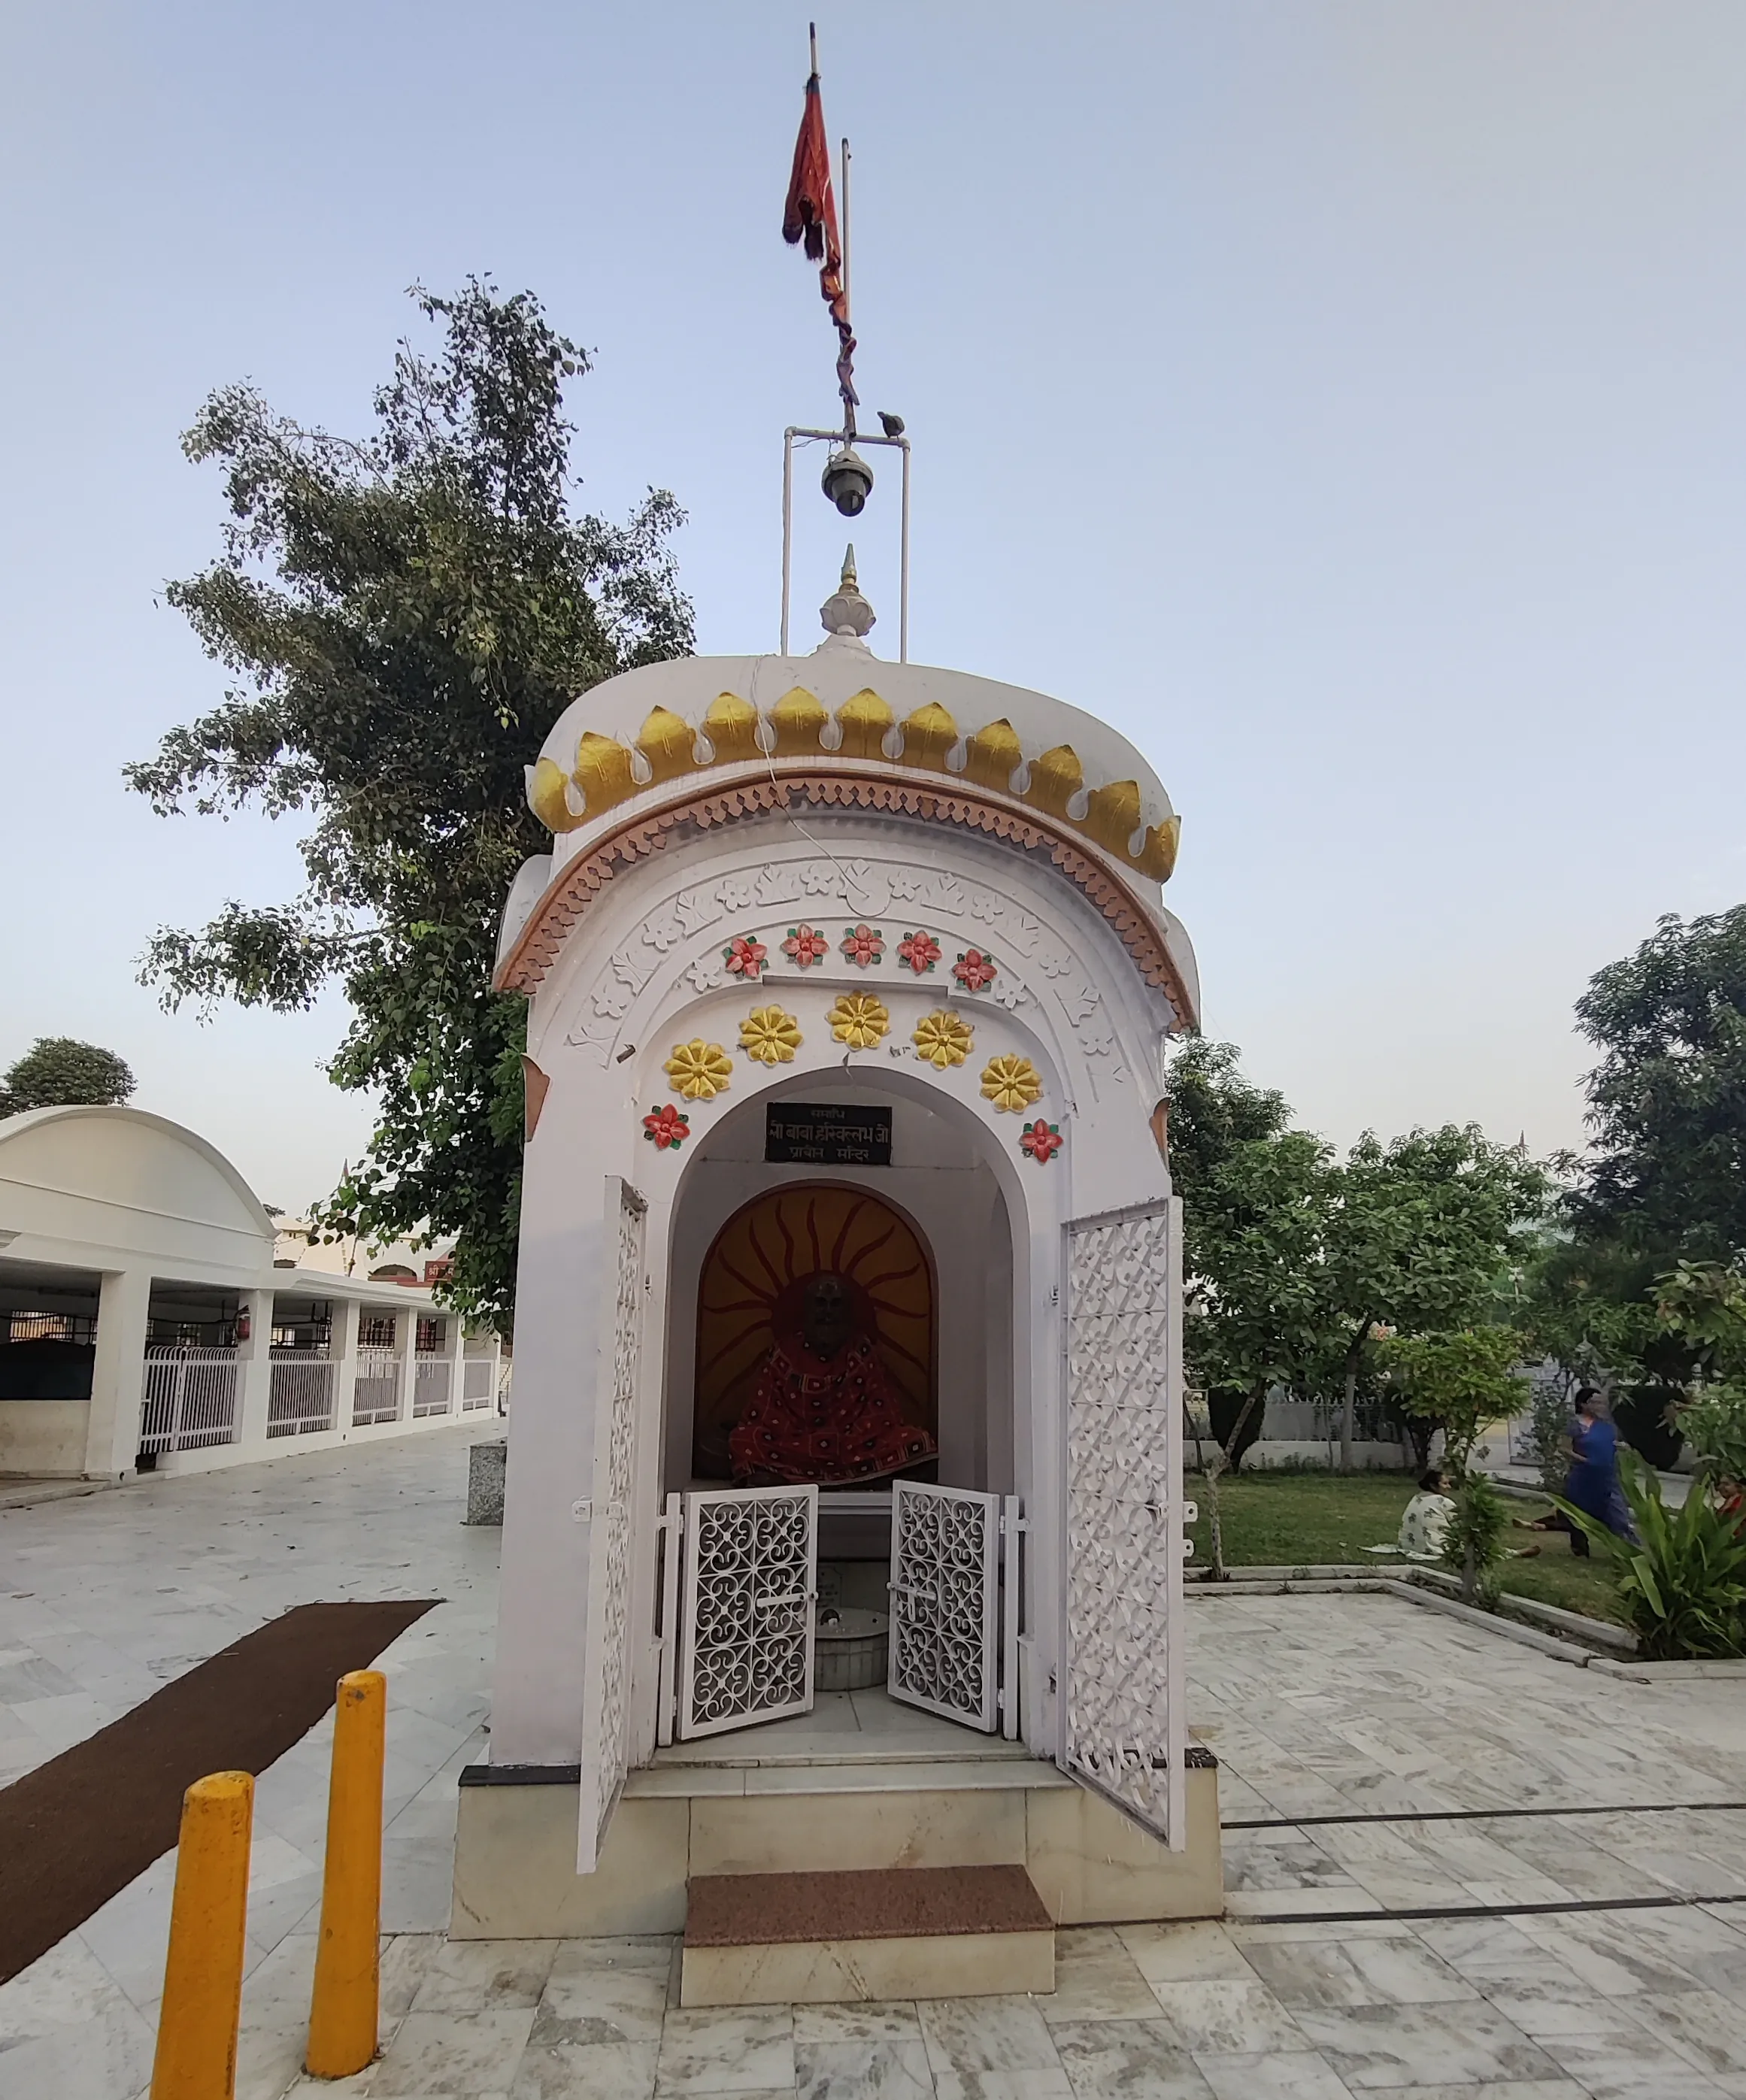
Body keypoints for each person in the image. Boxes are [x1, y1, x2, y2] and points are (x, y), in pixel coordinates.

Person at [729, 1270, 937, 1486]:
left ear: (847, 1313)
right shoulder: (784, 1353)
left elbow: (883, 1413)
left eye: (836, 1304)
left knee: (919, 1442)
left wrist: (847, 1438)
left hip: (850, 1448)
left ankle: (831, 1479)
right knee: (742, 1440)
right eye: (820, 1303)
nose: (827, 1312)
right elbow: (762, 1414)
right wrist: (806, 1441)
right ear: (807, 1311)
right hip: (795, 1448)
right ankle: (858, 1481)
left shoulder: (861, 1351)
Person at [1397, 1468, 1456, 1559]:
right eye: (1445, 1484)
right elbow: (1460, 1525)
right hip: (1433, 1546)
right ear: (1433, 1486)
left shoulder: (1416, 1498)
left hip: (1408, 1544)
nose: (1449, 1487)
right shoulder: (1443, 1502)